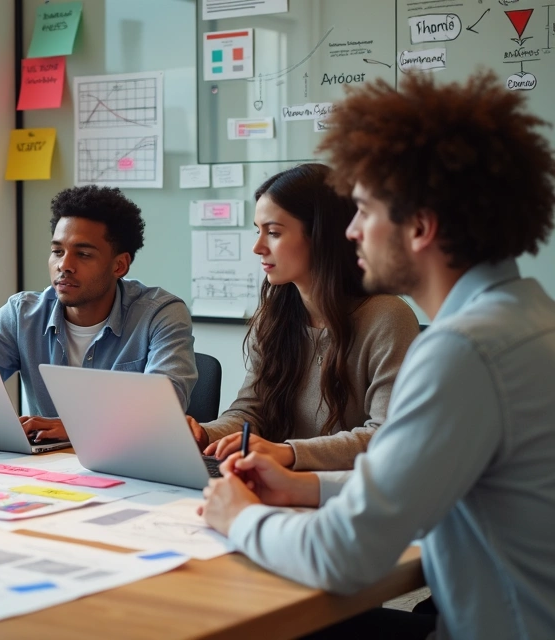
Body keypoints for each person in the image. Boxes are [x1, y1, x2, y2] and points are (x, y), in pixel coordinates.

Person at [199, 72, 555, 639]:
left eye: (363, 211)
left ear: (419, 227)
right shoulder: (528, 318)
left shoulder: (462, 351)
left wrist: (239, 516)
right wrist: (303, 487)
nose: (353, 232)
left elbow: (344, 556)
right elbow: (415, 481)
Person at [187, 164, 419, 471]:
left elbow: (386, 435)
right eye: (258, 232)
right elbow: (252, 411)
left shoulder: (387, 318)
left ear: (321, 236)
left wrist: (287, 453)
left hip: (343, 495)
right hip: (276, 481)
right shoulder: (275, 315)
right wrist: (205, 433)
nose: (257, 248)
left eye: (273, 233)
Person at [0, 185, 197, 442]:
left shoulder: (160, 314)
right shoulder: (22, 313)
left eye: (83, 254)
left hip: (125, 464)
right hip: (44, 465)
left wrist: (79, 427)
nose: (64, 265)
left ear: (119, 265)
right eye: (57, 252)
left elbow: (165, 409)